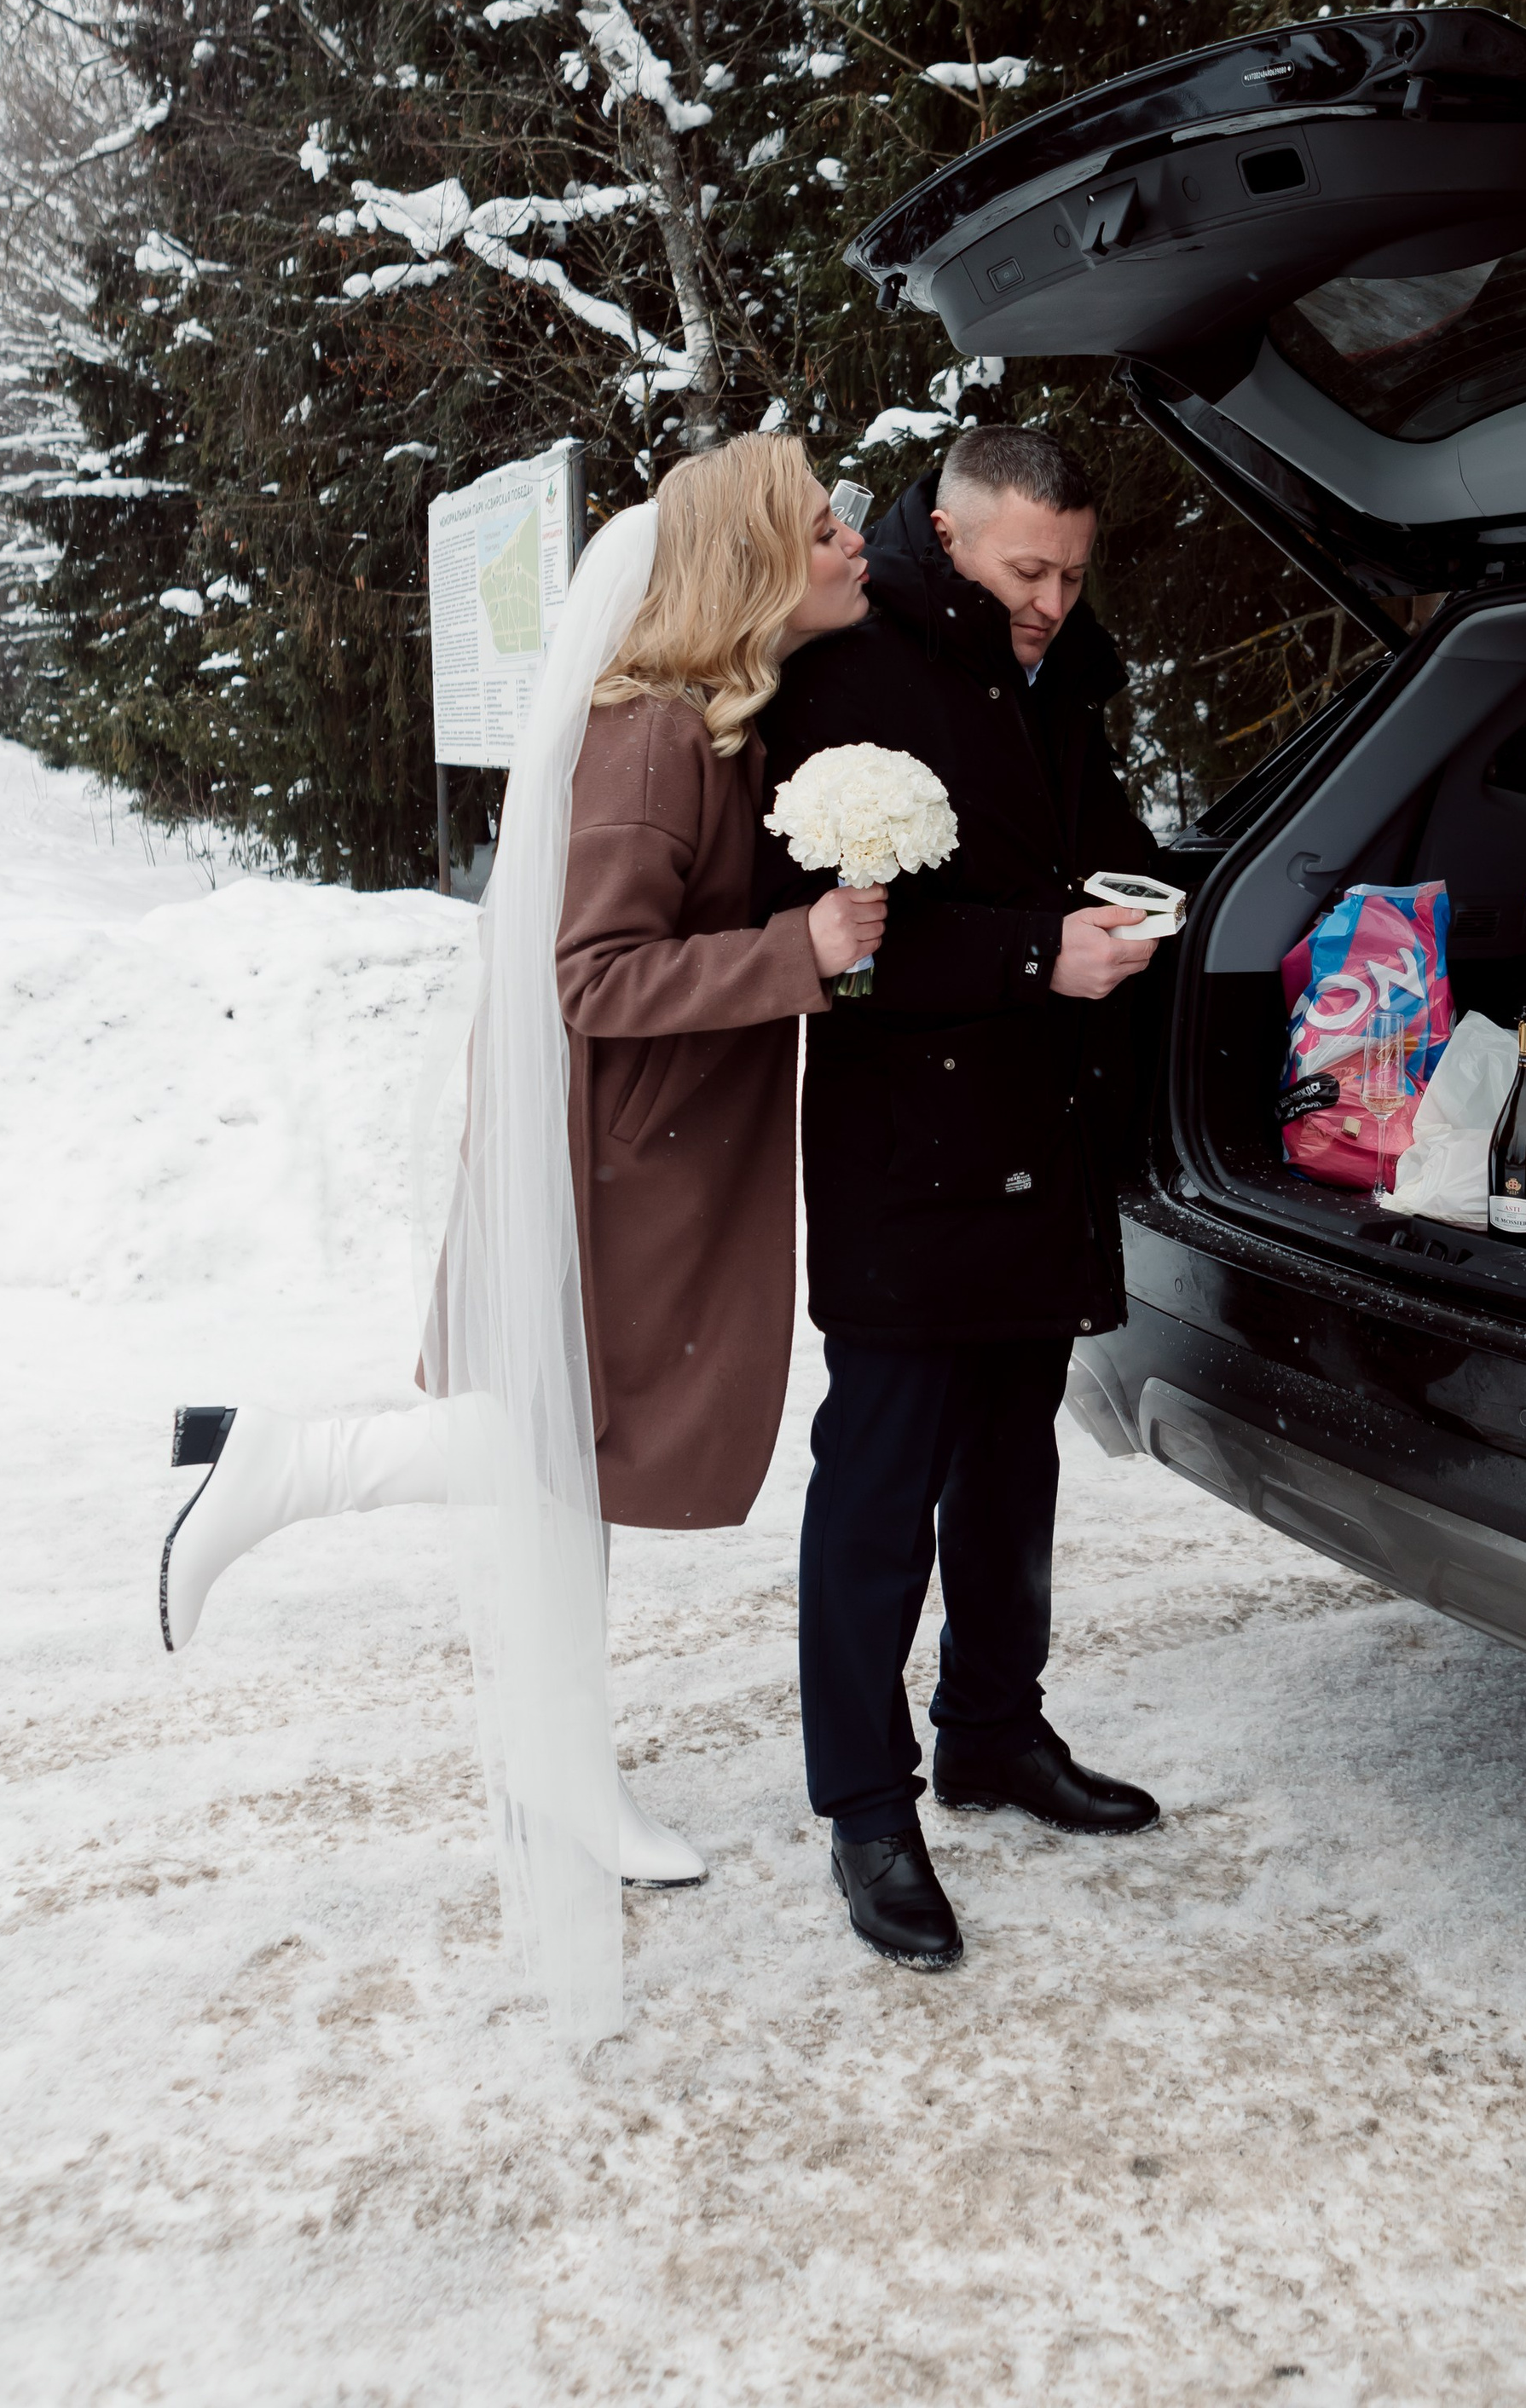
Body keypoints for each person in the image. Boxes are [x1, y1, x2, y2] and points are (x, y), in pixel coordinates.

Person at [156, 436, 881, 2043]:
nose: (854, 539)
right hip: (614, 1170)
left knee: (576, 1483)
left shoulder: (722, 723)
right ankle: (288, 1464)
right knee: (557, 1449)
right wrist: (800, 951)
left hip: (655, 1160)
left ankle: (565, 1784)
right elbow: (593, 977)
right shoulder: (647, 741)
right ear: (755, 560)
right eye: (823, 524)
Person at [758, 425, 1167, 1969]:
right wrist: (1032, 954)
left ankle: (994, 1727)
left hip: (1041, 1132)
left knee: (1012, 1473)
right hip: (909, 1158)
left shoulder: (1060, 669)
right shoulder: (847, 676)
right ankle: (867, 1806)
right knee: (879, 1497)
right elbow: (824, 946)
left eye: (1072, 569)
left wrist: (1136, 892)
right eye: (1026, 568)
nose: (1055, 597)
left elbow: (1078, 842)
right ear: (949, 531)